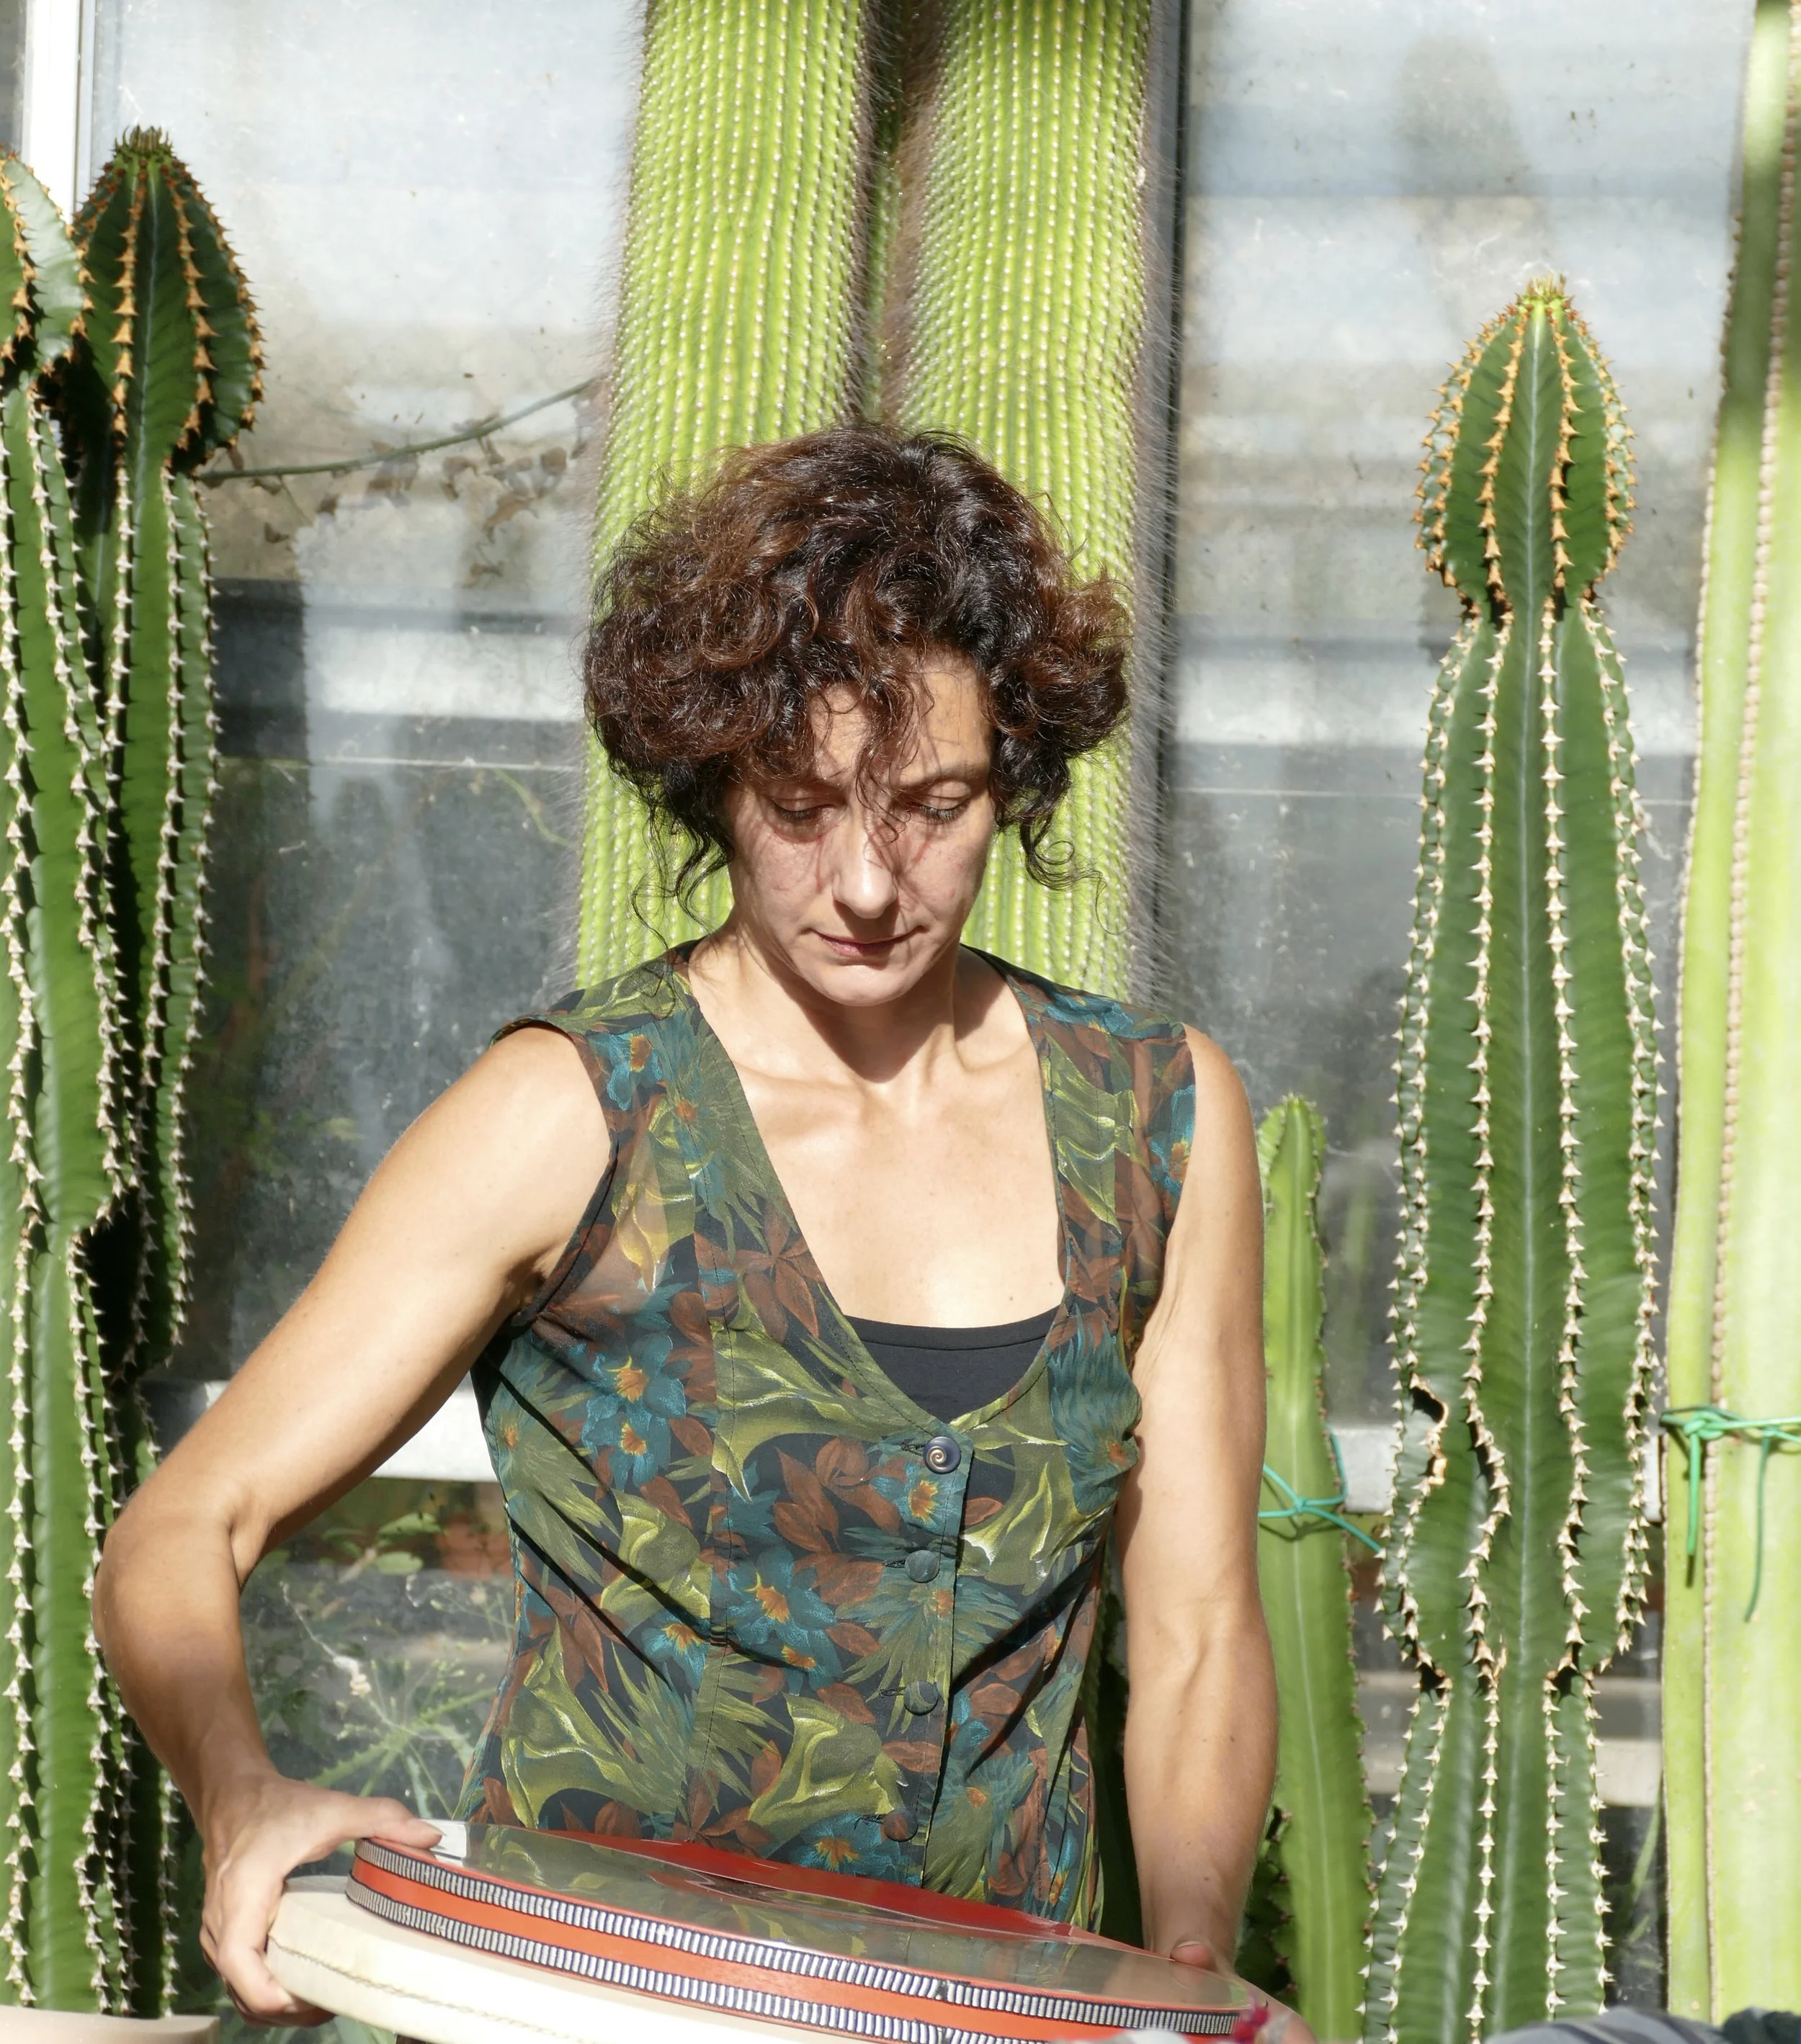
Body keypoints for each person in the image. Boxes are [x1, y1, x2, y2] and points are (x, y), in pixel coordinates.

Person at [94, 426, 1279, 2029]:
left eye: (931, 805)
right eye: (800, 805)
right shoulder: (572, 1113)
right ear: (714, 776)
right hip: (582, 2009)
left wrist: (1191, 1975)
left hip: (990, 2016)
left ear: (1013, 774)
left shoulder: (1156, 1115)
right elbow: (186, 1524)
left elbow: (1196, 1628)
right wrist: (243, 1798)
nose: (867, 882)